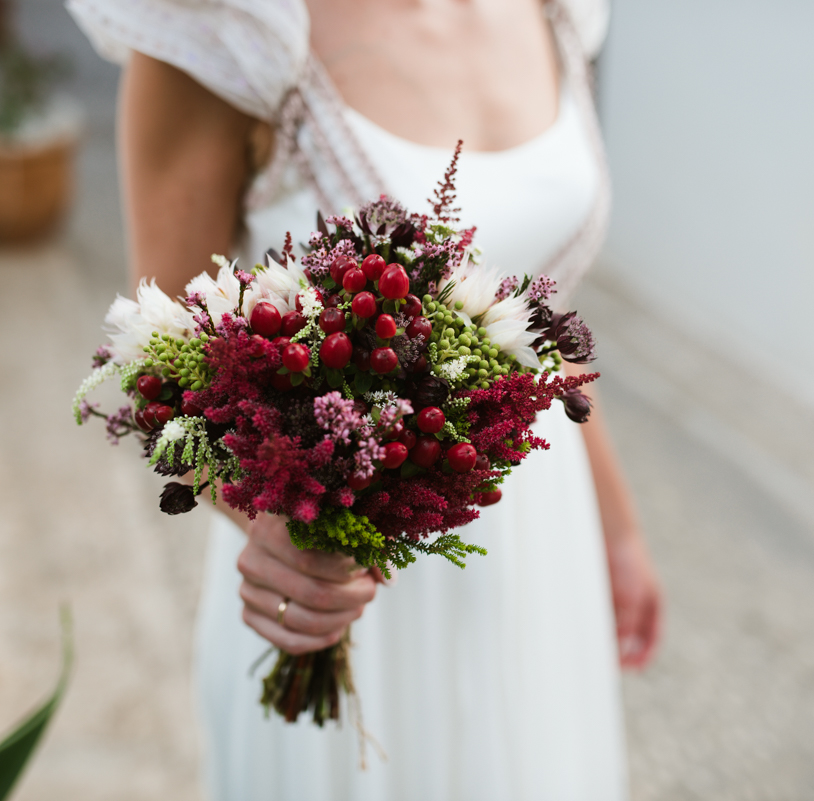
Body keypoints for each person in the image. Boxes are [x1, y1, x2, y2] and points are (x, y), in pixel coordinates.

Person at [68, 0, 662, 797]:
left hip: (543, 542)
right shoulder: (225, 21)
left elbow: (538, 330)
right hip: (342, 568)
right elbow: (162, 369)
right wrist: (281, 533)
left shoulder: (556, 12)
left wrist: (617, 527)